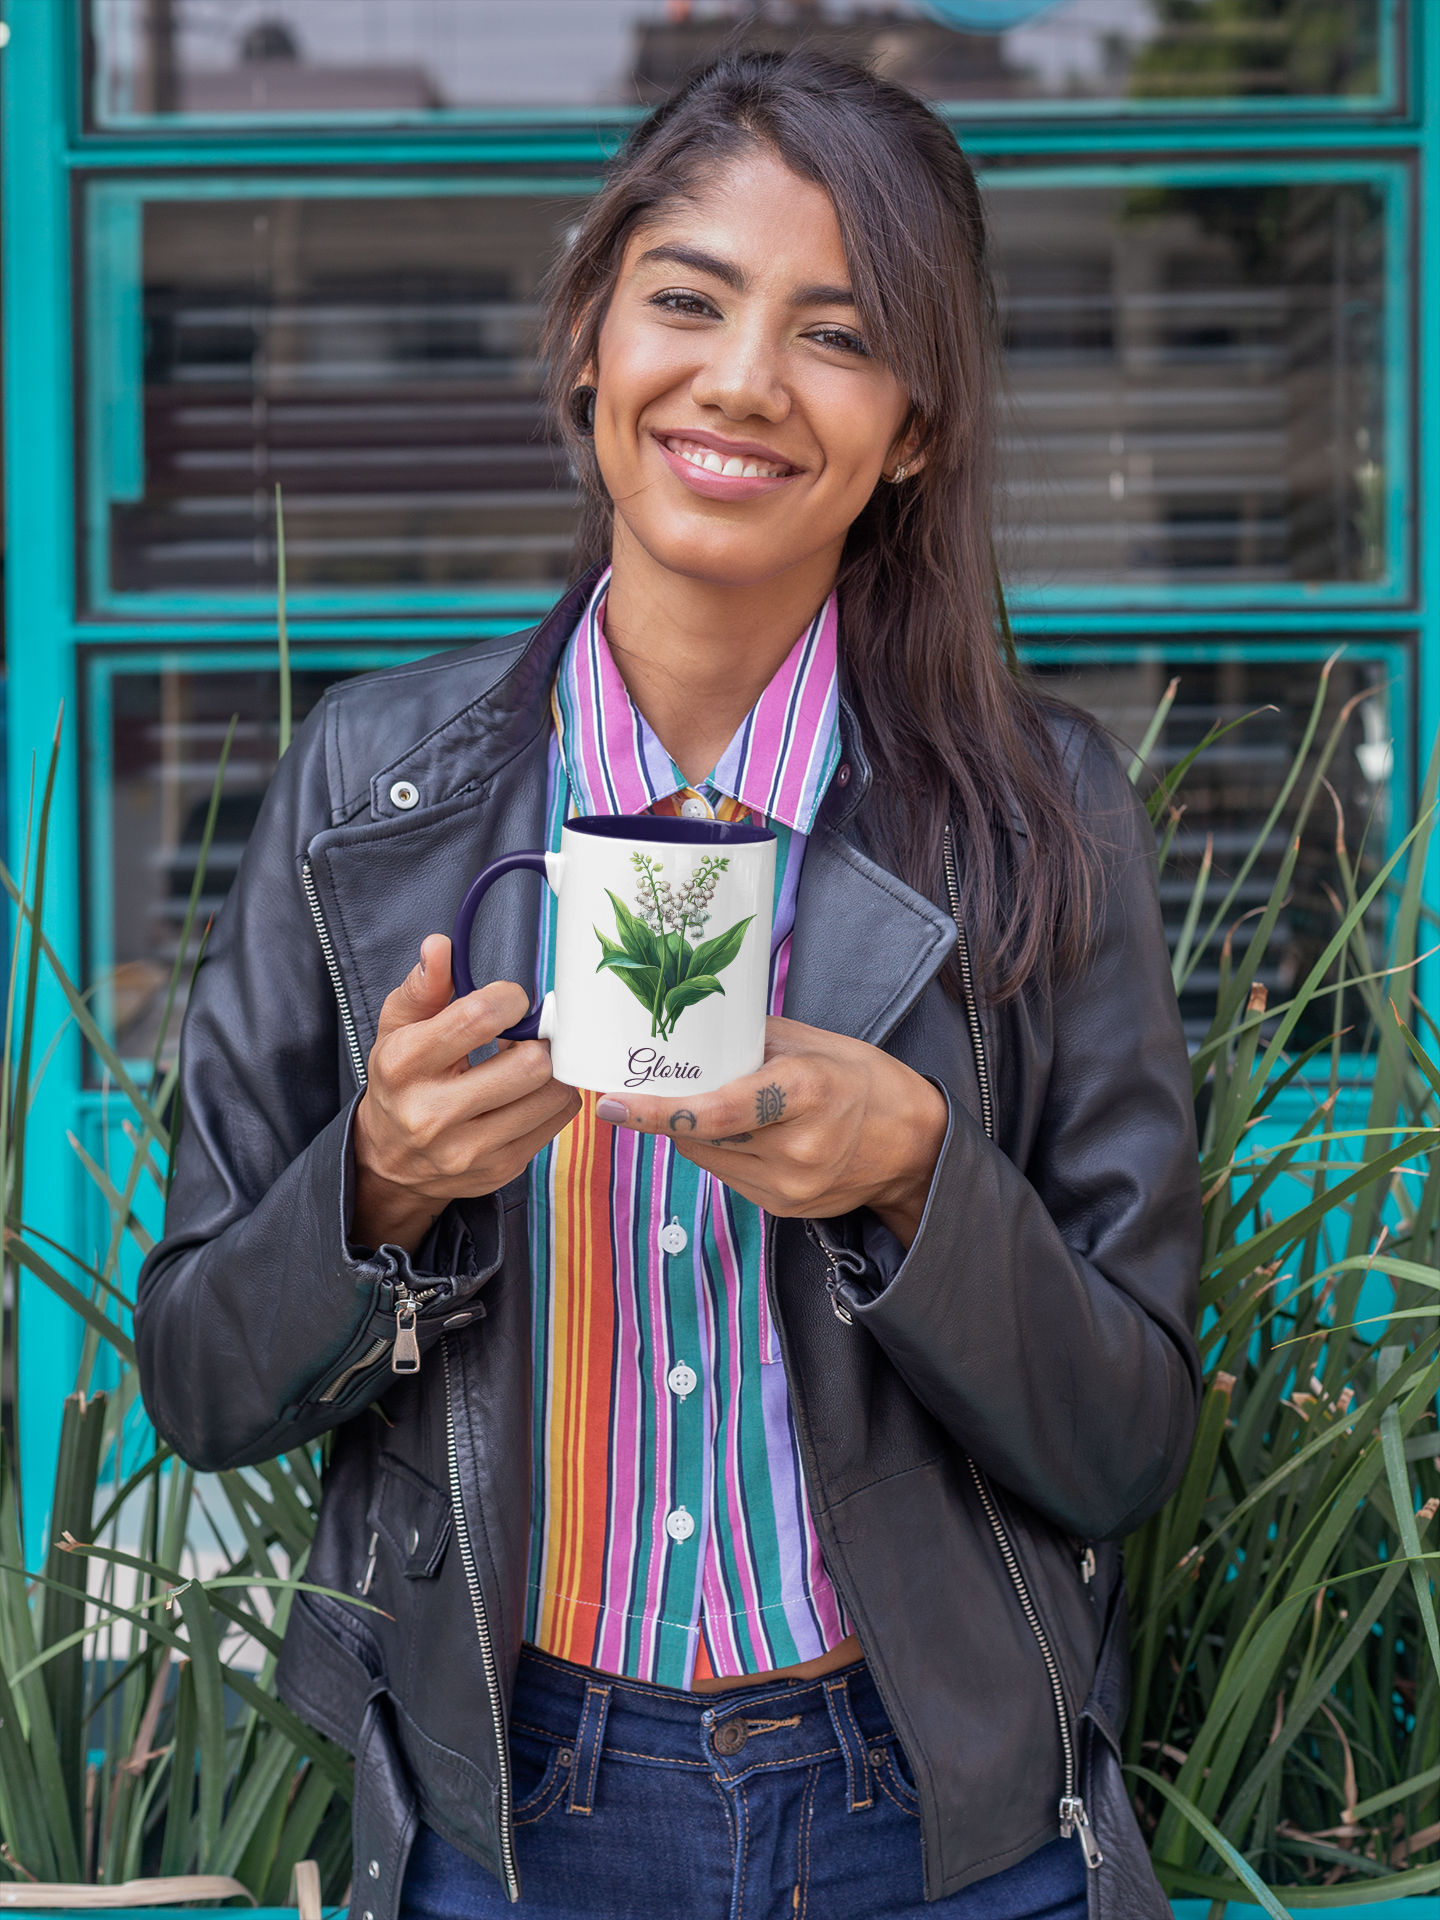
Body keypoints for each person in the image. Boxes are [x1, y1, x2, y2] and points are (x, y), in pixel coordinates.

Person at [135, 48, 1201, 1920]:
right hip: (517, 1810)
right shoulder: (369, 795)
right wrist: (381, 1184)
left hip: (940, 1814)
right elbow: (205, 1382)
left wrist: (917, 1179)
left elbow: (1123, 1443)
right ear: (590, 341)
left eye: (838, 334)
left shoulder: (1039, 816)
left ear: (916, 429)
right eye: (689, 300)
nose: (743, 379)